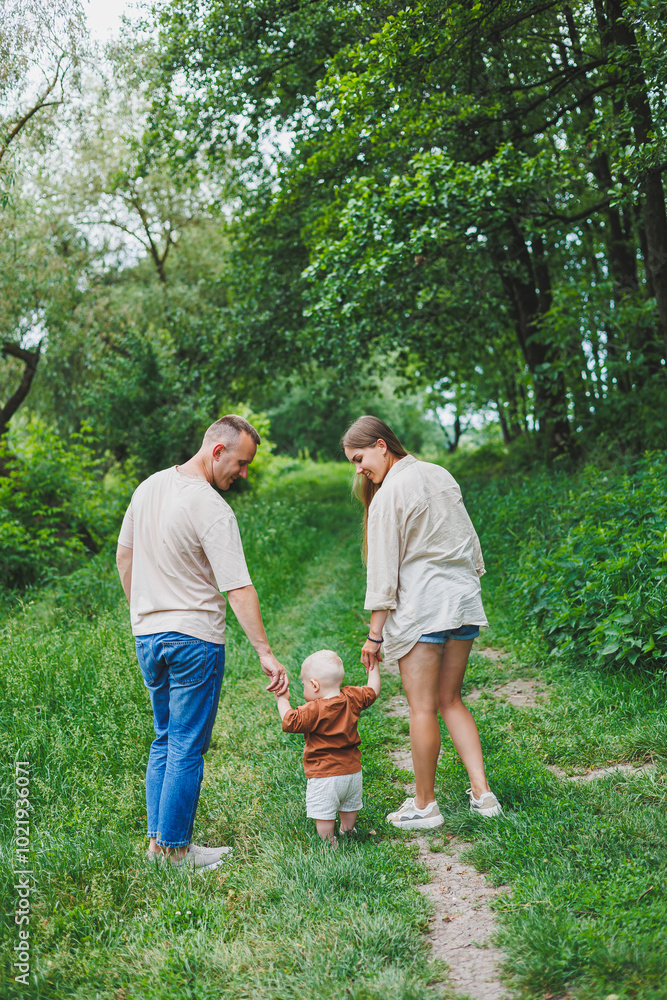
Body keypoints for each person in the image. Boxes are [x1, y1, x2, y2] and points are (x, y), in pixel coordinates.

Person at [116, 414, 288, 871]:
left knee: (165, 739)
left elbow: (124, 554)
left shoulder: (149, 487)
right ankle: (174, 850)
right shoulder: (211, 507)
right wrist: (265, 653)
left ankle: (159, 846)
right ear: (217, 451)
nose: (243, 473)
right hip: (194, 639)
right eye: (241, 462)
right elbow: (238, 587)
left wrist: (144, 609)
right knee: (187, 745)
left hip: (148, 635)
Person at [342, 415, 502, 831]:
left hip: (423, 608)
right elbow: (469, 540)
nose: (358, 469)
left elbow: (383, 574)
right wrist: (470, 581)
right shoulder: (440, 473)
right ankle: (484, 796)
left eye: (359, 458)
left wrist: (374, 635)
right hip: (462, 601)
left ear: (381, 445)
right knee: (451, 700)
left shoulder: (389, 493)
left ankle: (425, 805)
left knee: (422, 708)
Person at [275, 649, 381, 844]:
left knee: (323, 813)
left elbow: (290, 721)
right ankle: (348, 830)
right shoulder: (352, 697)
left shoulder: (314, 709)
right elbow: (373, 691)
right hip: (352, 772)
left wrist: (282, 700)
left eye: (304, 684)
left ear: (314, 685)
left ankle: (328, 841)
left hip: (324, 775)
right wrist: (373, 667)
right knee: (349, 806)